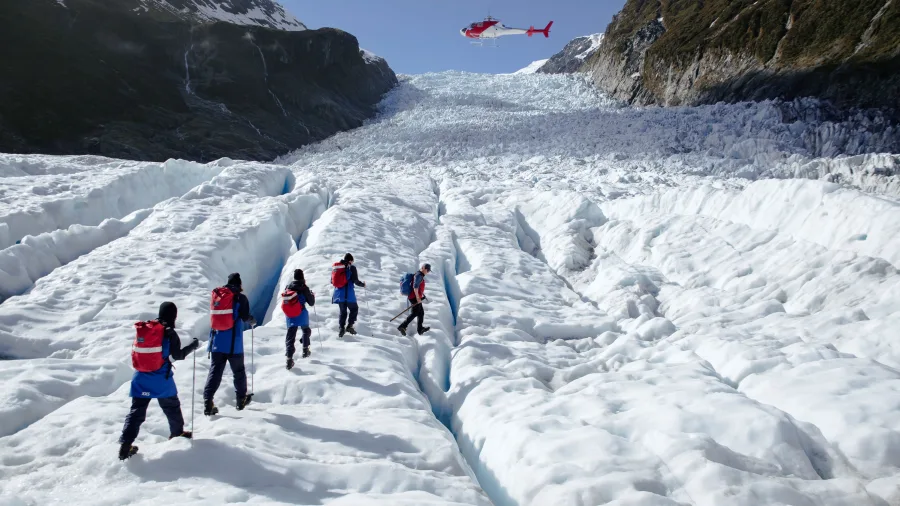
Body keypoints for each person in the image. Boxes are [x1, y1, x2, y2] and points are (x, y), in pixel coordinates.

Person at [119, 301, 199, 461]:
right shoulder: (169, 333)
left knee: (136, 411)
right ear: (174, 316)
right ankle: (177, 432)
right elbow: (178, 356)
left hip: (140, 377)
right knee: (171, 406)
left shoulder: (148, 329)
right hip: (160, 378)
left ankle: (125, 444)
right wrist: (193, 346)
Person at [203, 273, 256, 416]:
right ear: (239, 284)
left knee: (215, 372)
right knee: (238, 371)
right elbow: (245, 317)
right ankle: (241, 400)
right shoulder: (240, 298)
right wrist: (252, 320)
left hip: (217, 342)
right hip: (233, 343)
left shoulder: (218, 296)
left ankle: (208, 401)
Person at [284, 268, 315, 370]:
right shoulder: (304, 288)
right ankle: (305, 349)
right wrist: (312, 296)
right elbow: (311, 303)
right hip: (301, 313)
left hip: (290, 315)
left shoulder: (288, 287)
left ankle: (289, 358)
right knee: (306, 330)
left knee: (290, 336)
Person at [331, 253, 366, 338]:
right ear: (350, 260)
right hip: (349, 294)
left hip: (339, 294)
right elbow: (355, 280)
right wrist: (363, 285)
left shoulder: (337, 268)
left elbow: (332, 281)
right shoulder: (351, 268)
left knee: (343, 312)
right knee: (354, 309)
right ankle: (349, 326)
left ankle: (341, 328)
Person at [398, 263, 431, 336]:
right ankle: (402, 326)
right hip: (414, 297)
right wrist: (418, 298)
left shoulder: (419, 275)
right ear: (423, 268)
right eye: (427, 270)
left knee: (421, 312)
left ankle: (420, 329)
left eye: (429, 271)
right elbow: (415, 287)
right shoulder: (419, 275)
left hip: (415, 296)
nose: (428, 272)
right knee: (415, 312)